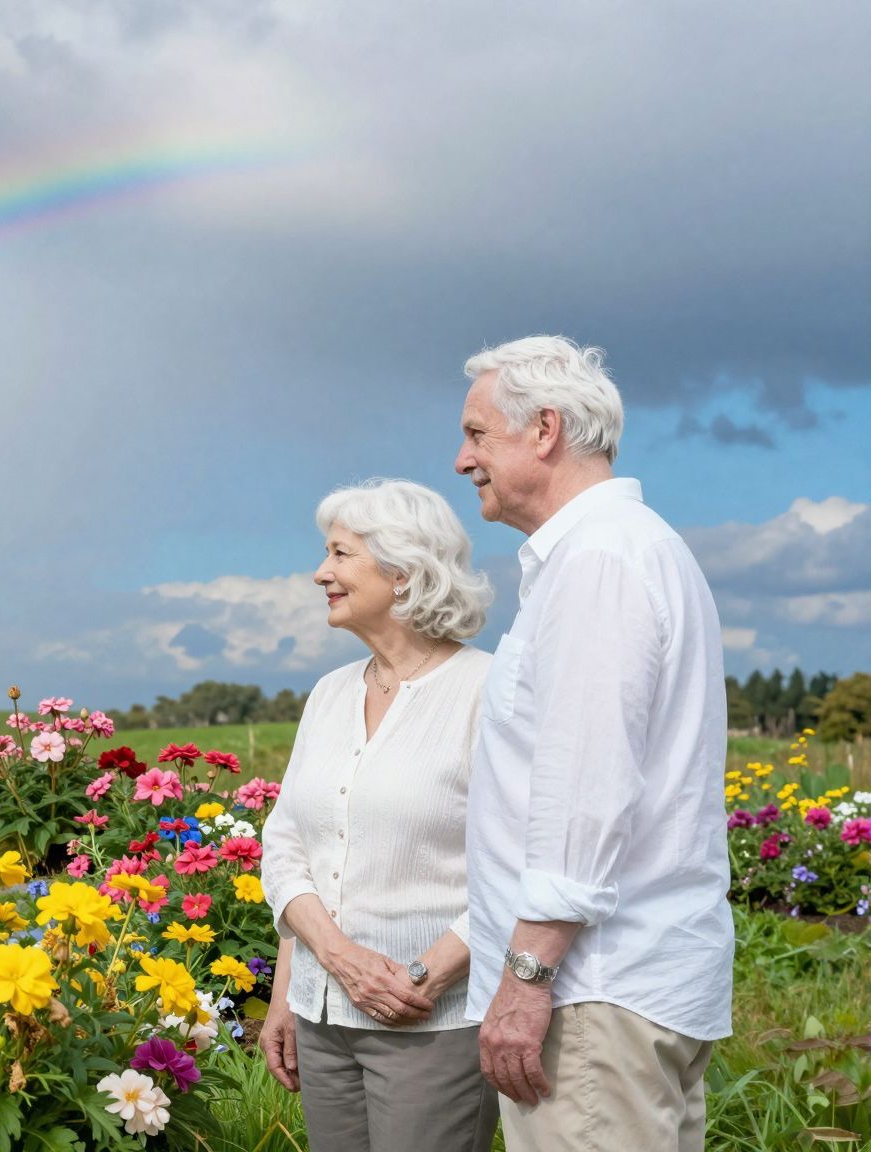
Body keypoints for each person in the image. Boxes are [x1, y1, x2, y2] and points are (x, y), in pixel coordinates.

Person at [455, 336, 732, 1152]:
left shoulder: (600, 560)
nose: (461, 458)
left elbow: (585, 786)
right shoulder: (624, 550)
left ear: (544, 429)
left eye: (476, 433)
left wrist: (527, 979)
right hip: (623, 989)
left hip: (590, 995)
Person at [260, 478, 498, 1151]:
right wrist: (300, 984)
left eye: (340, 555)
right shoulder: (330, 694)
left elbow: (519, 861)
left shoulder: (489, 689)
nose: (319, 573)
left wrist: (420, 977)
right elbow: (290, 850)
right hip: (321, 1018)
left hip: (431, 1022)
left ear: (403, 570)